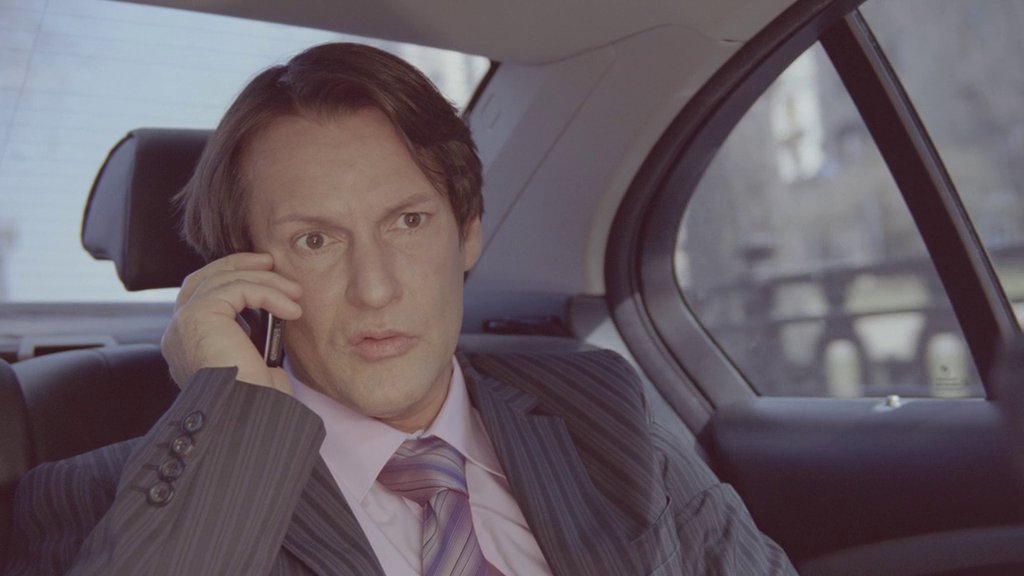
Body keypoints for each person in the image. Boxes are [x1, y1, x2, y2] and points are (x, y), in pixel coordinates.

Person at [5, 43, 796, 575]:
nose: (375, 289)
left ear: (468, 232)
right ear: (243, 274)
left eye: (408, 222)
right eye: (315, 240)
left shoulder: (604, 409)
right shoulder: (92, 498)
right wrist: (236, 417)